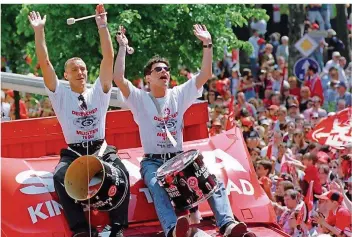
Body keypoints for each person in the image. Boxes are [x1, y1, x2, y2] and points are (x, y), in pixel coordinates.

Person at [114, 25, 254, 237]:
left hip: (179, 159)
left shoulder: (178, 94)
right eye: (158, 70)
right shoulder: (139, 99)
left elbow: (206, 73)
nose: (164, 72)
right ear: (148, 78)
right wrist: (122, 48)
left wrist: (207, 44)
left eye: (166, 69)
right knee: (155, 184)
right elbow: (118, 78)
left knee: (210, 179)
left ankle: (227, 224)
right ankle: (172, 230)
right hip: (153, 162)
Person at [28, 5, 129, 237]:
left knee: (121, 170)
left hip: (101, 150)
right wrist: (39, 32)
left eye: (83, 69)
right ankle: (81, 231)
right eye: (75, 70)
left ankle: (118, 227)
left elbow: (108, 57)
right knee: (58, 176)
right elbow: (45, 63)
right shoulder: (59, 93)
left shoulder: (99, 91)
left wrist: (102, 26)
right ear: (66, 75)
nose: (81, 73)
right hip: (74, 153)